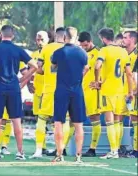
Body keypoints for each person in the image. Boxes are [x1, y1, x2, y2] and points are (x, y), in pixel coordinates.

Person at [0, 25, 38, 160]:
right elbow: (35, 66)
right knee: (16, 120)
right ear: (13, 35)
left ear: (1, 35)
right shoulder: (17, 49)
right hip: (14, 86)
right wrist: (23, 79)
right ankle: (20, 153)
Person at [91, 28, 133, 159]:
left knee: (109, 121)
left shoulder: (104, 50)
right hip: (120, 90)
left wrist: (97, 81)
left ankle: (114, 151)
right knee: (117, 121)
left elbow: (97, 66)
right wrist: (130, 91)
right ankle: (116, 149)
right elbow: (129, 73)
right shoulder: (123, 51)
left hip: (107, 90)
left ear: (103, 38)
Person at [51, 27, 88, 163]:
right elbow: (85, 67)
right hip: (77, 91)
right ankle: (78, 156)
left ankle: (59, 154)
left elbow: (53, 66)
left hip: (62, 90)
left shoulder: (59, 52)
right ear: (76, 37)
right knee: (78, 125)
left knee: (58, 122)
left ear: (64, 37)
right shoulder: (82, 53)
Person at [30, 27, 67, 159]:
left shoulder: (47, 48)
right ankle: (61, 149)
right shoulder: (70, 49)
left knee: (42, 118)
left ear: (55, 36)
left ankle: (39, 149)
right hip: (65, 89)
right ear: (65, 37)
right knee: (66, 120)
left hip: (49, 88)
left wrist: (46, 71)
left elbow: (38, 68)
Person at [78, 31, 102, 157]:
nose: (83, 47)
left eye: (85, 45)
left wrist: (99, 82)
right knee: (73, 119)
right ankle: (64, 148)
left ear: (90, 41)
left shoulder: (99, 53)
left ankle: (93, 149)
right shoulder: (80, 53)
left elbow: (104, 70)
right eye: (81, 45)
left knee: (94, 118)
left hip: (93, 91)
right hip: (79, 90)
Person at [28, 31, 49, 154]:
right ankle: (43, 146)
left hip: (50, 90)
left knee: (54, 118)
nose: (39, 42)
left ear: (47, 39)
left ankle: (60, 148)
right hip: (38, 90)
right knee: (40, 119)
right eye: (37, 40)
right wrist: (29, 84)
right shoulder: (34, 54)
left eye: (42, 39)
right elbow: (30, 71)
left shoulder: (51, 52)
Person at [122, 31, 137, 158]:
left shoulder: (136, 55)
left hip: (134, 93)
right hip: (125, 93)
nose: (123, 40)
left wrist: (134, 91)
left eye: (125, 37)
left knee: (136, 120)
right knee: (130, 120)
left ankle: (136, 151)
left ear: (132, 39)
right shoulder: (124, 54)